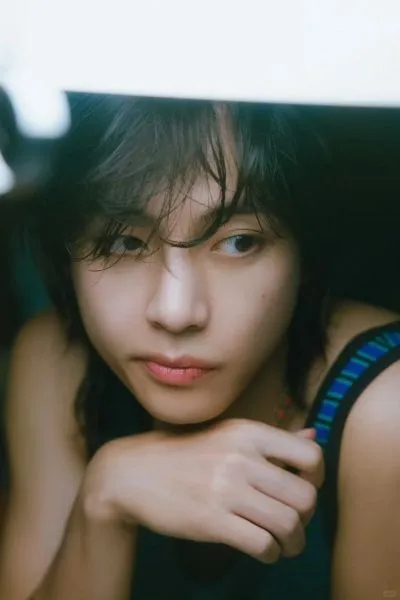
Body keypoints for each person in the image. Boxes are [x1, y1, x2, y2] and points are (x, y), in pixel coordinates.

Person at [0, 96, 399, 600]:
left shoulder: (384, 410)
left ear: (305, 252)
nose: (176, 311)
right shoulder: (57, 362)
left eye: (238, 242)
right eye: (124, 242)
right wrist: (102, 504)